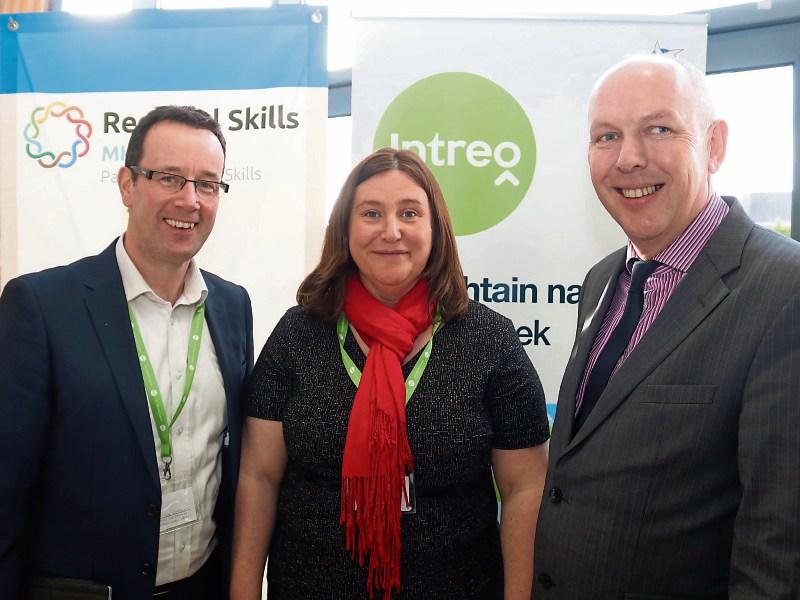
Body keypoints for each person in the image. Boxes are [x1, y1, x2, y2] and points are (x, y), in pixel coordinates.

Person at [533, 54, 800, 598]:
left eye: (658, 129)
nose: (629, 158)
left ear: (715, 145)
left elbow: (779, 552)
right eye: (606, 136)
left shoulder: (784, 291)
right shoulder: (602, 279)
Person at [230, 148, 549, 600]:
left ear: (435, 228)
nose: (391, 231)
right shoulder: (297, 334)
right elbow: (259, 477)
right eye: (372, 213)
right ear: (345, 228)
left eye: (410, 213)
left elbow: (525, 487)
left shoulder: (489, 340)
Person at [0, 105, 254, 600]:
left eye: (207, 184)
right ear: (127, 184)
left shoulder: (231, 306)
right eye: (169, 178)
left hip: (200, 586)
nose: (190, 200)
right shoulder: (43, 306)